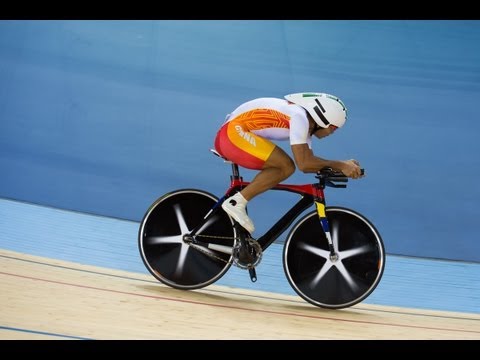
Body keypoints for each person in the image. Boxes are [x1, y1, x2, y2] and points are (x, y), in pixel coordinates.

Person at [214, 92, 363, 234]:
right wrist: (341, 165)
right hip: (231, 134)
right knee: (285, 166)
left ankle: (238, 204)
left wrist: (342, 167)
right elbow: (304, 164)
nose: (332, 133)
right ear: (322, 118)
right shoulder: (299, 117)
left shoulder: (304, 124)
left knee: (285, 167)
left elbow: (309, 163)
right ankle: (236, 202)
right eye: (333, 128)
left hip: (232, 133)